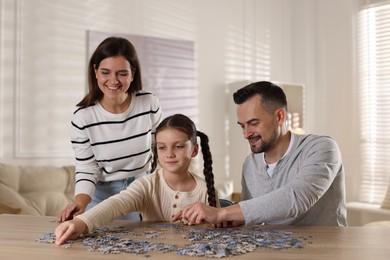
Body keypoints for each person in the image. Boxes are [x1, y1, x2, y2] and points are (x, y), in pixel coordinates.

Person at [172, 81, 347, 227]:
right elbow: (252, 217)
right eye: (242, 126)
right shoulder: (250, 164)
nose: (246, 134)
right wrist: (224, 220)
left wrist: (222, 213)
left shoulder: (322, 148)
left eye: (253, 123)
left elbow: (296, 198)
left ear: (279, 117)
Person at [55, 113, 219, 245]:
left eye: (179, 146)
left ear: (195, 149)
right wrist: (81, 222)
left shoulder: (206, 191)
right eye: (162, 147)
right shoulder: (147, 185)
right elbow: (117, 203)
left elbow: (219, 232)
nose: (169, 154)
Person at [57, 37, 162, 222]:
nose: (113, 81)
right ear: (95, 71)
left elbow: (160, 147)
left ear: (132, 74)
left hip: (142, 188)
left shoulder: (149, 103)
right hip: (102, 195)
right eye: (106, 72)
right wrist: (80, 204)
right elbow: (87, 169)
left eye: (122, 73)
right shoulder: (83, 118)